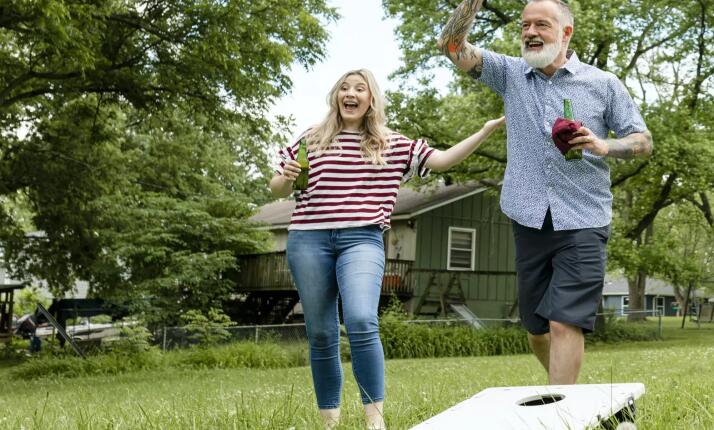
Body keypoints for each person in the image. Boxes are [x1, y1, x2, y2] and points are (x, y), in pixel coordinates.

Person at [269, 69, 504, 429]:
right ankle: (329, 422)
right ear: (336, 97)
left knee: (362, 319)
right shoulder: (311, 139)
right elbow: (278, 190)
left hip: (362, 239)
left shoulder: (391, 144)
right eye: (344, 87)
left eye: (359, 89)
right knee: (321, 333)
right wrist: (285, 176)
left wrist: (485, 131)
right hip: (308, 239)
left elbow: (441, 160)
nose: (350, 93)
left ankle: (374, 423)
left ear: (371, 100)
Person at [438, 0, 653, 385]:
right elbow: (452, 46)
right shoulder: (510, 74)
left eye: (542, 24)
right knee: (537, 329)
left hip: (584, 219)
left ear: (566, 33)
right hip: (528, 216)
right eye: (525, 25)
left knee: (564, 320)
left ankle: (562, 413)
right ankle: (572, 397)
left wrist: (605, 146)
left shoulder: (602, 84)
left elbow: (643, 140)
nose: (530, 32)